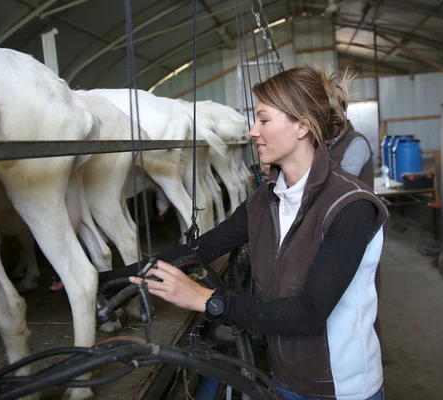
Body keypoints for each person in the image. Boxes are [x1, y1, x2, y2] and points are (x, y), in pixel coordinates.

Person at [100, 65, 388, 400]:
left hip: (341, 388)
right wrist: (107, 280)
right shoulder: (266, 201)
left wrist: (206, 299)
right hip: (284, 376)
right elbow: (199, 249)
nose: (253, 131)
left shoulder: (350, 205)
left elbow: (309, 314)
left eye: (263, 119)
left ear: (301, 126)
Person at [326, 119, 383, 345]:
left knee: (361, 293)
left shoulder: (356, 142)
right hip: (337, 224)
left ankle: (367, 348)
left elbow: (345, 178)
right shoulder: (326, 144)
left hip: (359, 225)